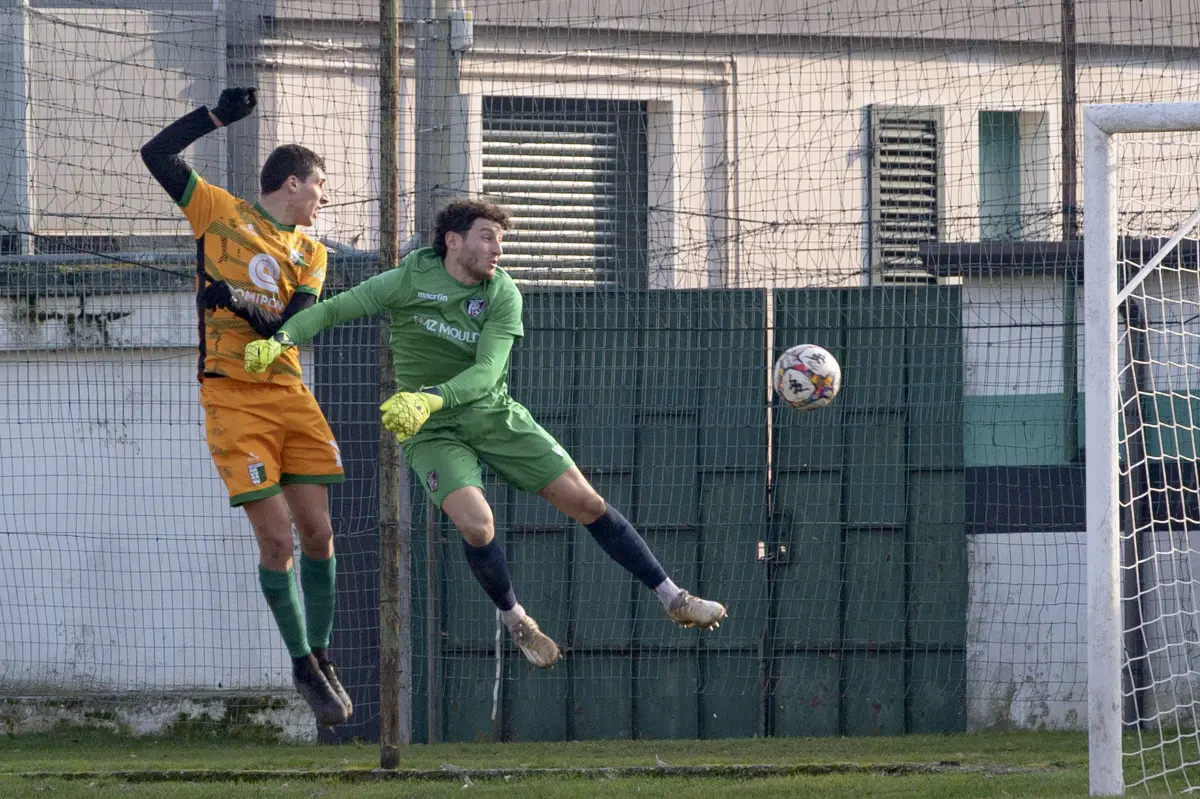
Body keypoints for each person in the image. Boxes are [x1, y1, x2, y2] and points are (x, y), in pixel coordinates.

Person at [243, 199, 727, 669]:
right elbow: (332, 310)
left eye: (502, 240)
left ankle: (673, 597)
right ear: (454, 241)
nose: (498, 249)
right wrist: (280, 340)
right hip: (431, 431)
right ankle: (517, 620)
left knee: (588, 504)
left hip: (492, 415)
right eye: (488, 237)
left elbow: (485, 373)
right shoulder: (409, 278)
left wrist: (427, 396)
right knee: (477, 525)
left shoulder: (502, 292)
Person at [140, 87, 351, 725]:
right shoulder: (216, 211)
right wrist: (215, 117)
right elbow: (156, 153)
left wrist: (238, 301)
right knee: (277, 535)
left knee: (318, 532)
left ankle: (322, 653)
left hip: (288, 393)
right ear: (292, 182)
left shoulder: (313, 252)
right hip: (231, 396)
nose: (323, 197)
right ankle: (299, 662)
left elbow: (296, 318)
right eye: (319, 185)